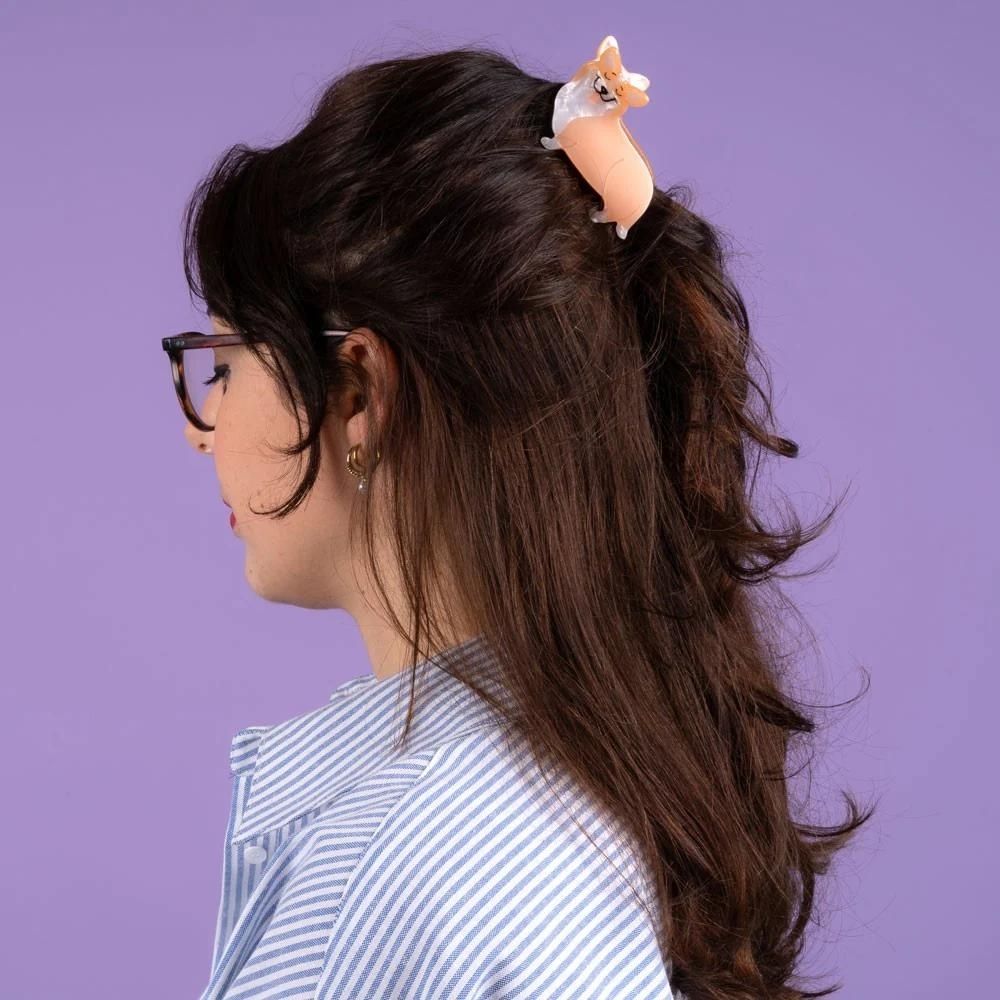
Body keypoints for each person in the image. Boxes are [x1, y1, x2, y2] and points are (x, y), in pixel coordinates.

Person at [173, 42, 874, 1000]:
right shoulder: (591, 790)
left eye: (223, 364)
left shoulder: (400, 870)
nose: (201, 429)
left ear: (358, 392)